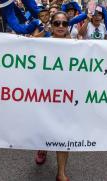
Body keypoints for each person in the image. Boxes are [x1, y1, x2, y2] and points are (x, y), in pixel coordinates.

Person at [35, 11, 71, 181]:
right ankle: (42, 147)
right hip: (44, 95)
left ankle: (61, 172)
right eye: (57, 23)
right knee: (44, 127)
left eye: (64, 23)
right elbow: (24, 46)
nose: (61, 26)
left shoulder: (77, 46)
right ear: (51, 25)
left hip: (67, 98)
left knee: (63, 134)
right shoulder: (43, 43)